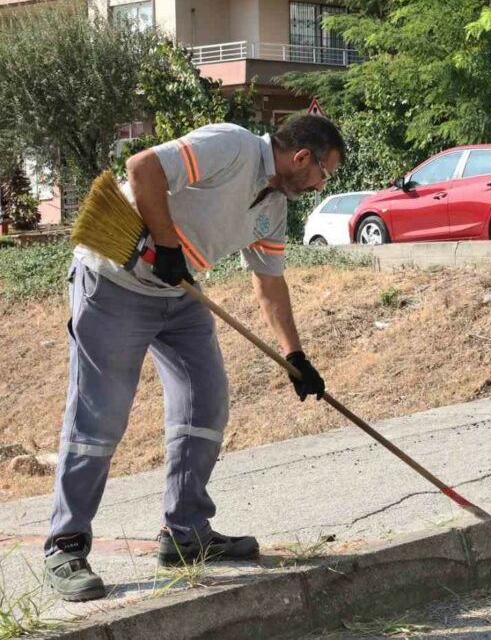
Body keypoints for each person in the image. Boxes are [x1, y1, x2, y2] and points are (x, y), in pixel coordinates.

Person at [44, 115, 345, 601]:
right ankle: (66, 542)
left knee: (205, 403)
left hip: (177, 292)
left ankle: (184, 534)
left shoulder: (272, 207)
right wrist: (165, 244)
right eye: (323, 174)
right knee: (101, 415)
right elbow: (142, 167)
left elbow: (268, 281)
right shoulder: (232, 145)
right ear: (302, 158)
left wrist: (296, 356)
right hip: (113, 280)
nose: (320, 184)